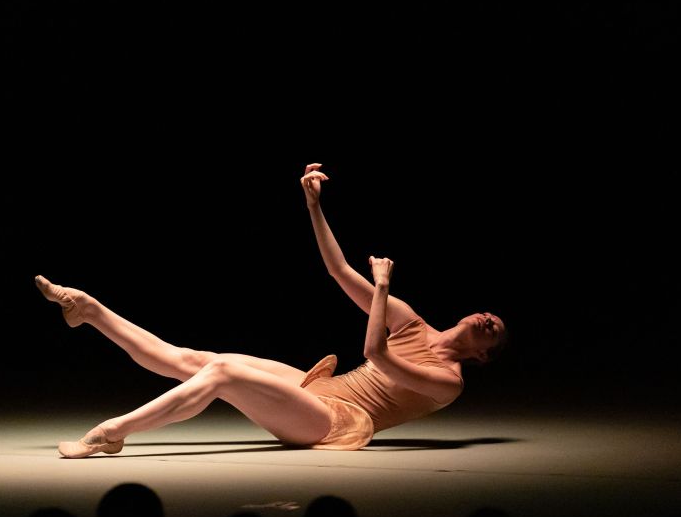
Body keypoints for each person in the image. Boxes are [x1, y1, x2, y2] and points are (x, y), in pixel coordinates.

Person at [39, 163, 507, 457]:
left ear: (483, 355)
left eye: (494, 329)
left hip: (333, 421)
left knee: (222, 374)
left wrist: (383, 287)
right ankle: (89, 310)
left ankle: (112, 432)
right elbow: (339, 271)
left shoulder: (448, 382)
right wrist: (314, 206)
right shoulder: (414, 324)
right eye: (489, 314)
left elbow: (376, 355)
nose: (488, 318)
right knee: (196, 359)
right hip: (316, 388)